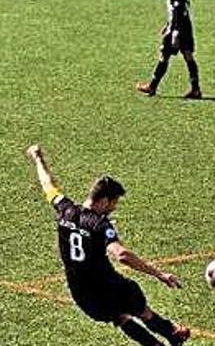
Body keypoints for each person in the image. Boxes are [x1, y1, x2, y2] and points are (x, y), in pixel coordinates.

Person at [24, 145, 191, 346]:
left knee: (120, 317)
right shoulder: (99, 224)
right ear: (103, 200)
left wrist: (38, 159)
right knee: (140, 309)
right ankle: (171, 334)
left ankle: (167, 338)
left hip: (80, 291)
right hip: (107, 283)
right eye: (114, 203)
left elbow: (47, 184)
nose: (114, 208)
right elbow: (121, 255)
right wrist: (160, 275)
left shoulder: (65, 209)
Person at [137, 0, 202, 99]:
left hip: (178, 30)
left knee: (164, 56)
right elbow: (178, 12)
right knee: (188, 57)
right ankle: (195, 89)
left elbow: (178, 12)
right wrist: (167, 24)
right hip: (185, 28)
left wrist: (174, 32)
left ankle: (152, 86)